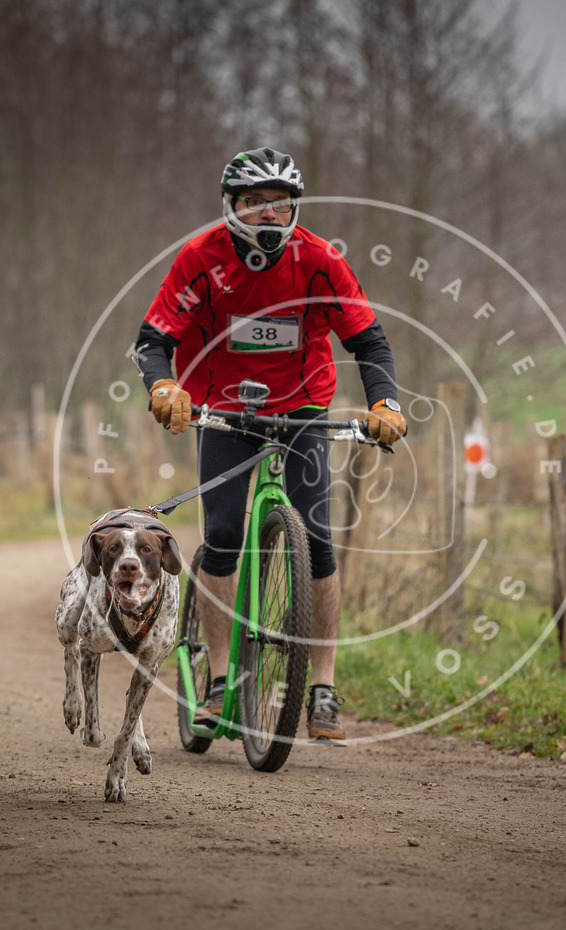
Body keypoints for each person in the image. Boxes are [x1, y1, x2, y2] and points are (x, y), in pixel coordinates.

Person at [134, 146, 405, 743]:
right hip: (222, 409)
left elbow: (370, 342)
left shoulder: (320, 260)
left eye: (279, 205)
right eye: (255, 204)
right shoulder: (199, 258)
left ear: (293, 211)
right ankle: (220, 681)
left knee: (316, 537)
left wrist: (385, 402)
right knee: (225, 533)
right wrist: (162, 385)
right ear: (231, 208)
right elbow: (154, 339)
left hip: (303, 406)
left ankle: (325, 690)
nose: (268, 216)